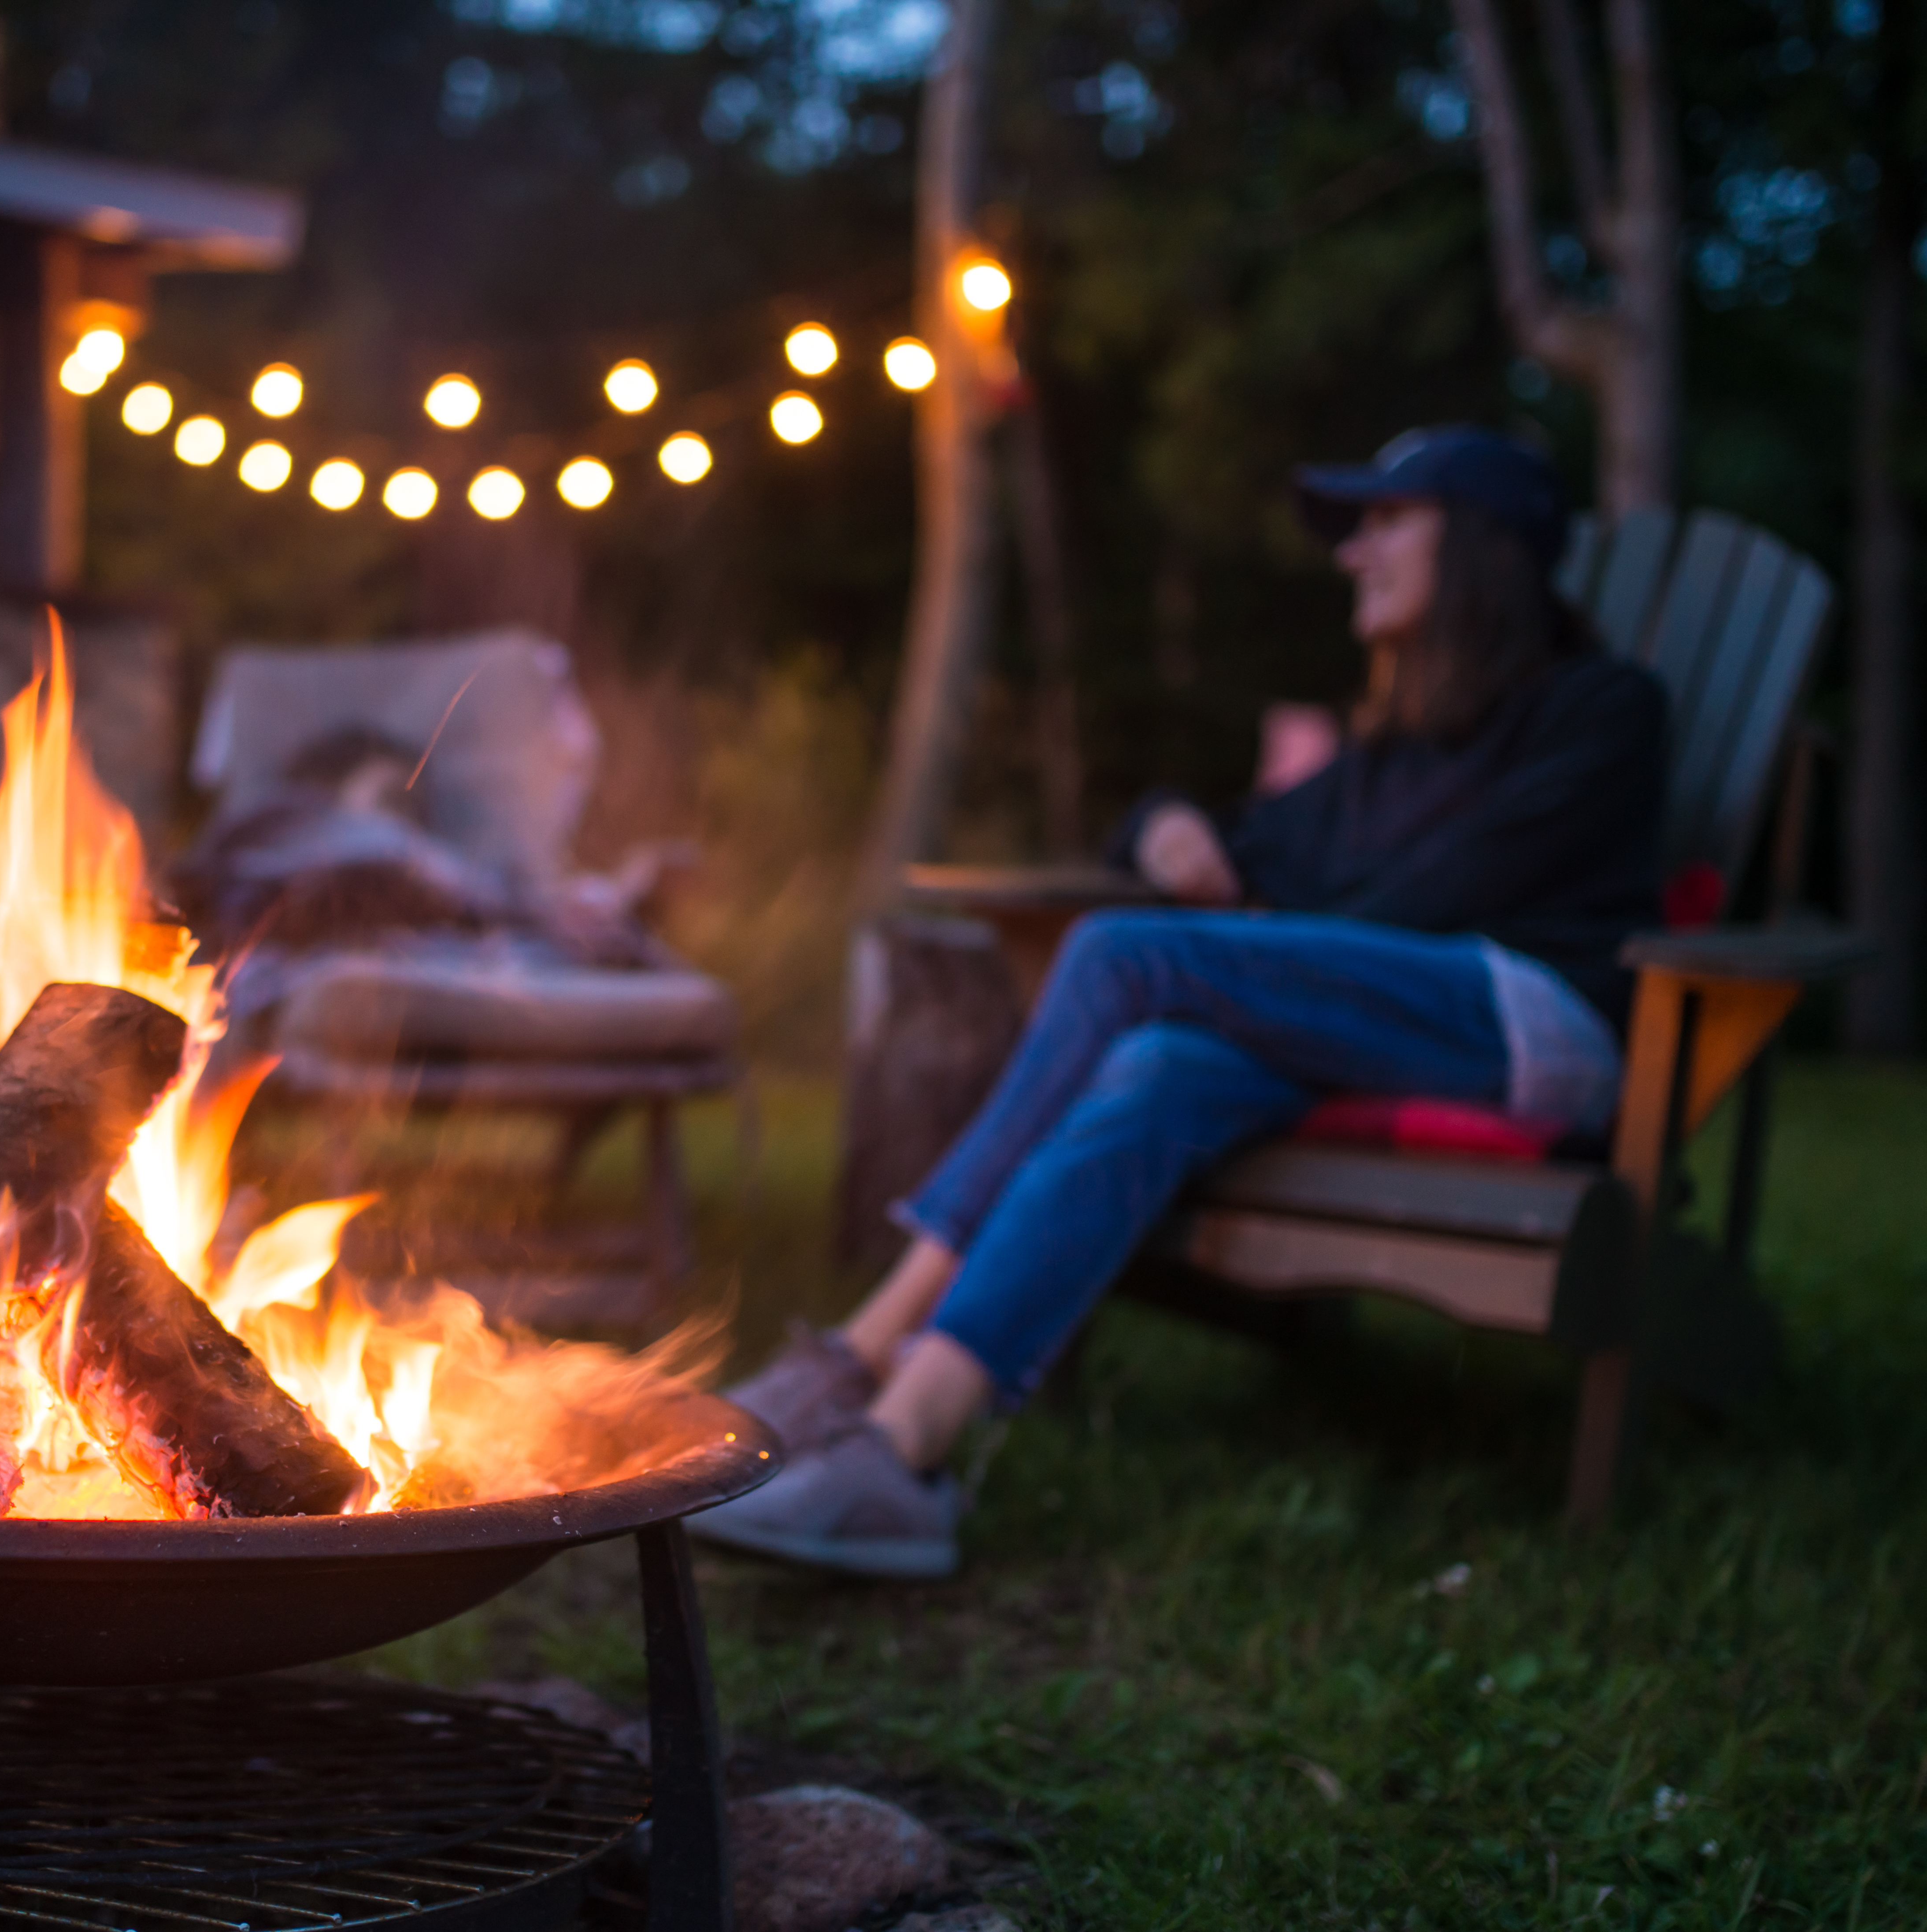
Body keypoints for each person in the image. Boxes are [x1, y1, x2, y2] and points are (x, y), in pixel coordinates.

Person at [696, 426, 1664, 1579]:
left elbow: (1439, 904)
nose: (1355, 554)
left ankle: (861, 1349)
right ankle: (905, 1455)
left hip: (1526, 1026)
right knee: (1158, 1064)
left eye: (1387, 521)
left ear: (1484, 545)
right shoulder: (1382, 760)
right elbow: (1238, 850)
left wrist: (1239, 951)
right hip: (1368, 1028)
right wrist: (1165, 826)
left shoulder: (1605, 708)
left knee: (1124, 955)